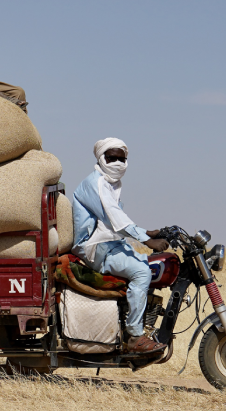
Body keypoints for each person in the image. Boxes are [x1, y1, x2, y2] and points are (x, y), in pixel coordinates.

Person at [70, 138, 168, 354]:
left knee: (151, 264)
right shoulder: (95, 183)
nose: (116, 163)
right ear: (101, 159)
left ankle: (137, 321)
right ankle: (134, 336)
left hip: (110, 243)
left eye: (121, 159)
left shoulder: (110, 184)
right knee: (142, 272)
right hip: (94, 248)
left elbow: (115, 221)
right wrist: (147, 240)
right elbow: (114, 218)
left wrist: (149, 232)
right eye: (111, 158)